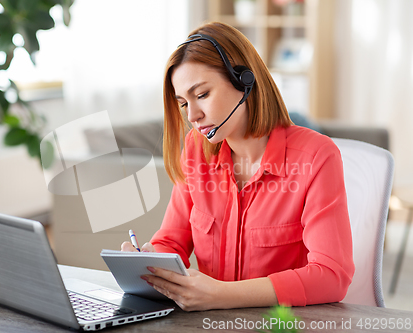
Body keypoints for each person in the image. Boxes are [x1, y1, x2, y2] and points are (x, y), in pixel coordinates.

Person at [121, 22, 354, 311]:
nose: (193, 115)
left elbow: (332, 277)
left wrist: (220, 295)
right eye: (183, 103)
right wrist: (148, 260)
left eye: (202, 94)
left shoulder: (316, 156)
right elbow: (172, 241)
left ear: (245, 81)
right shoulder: (196, 149)